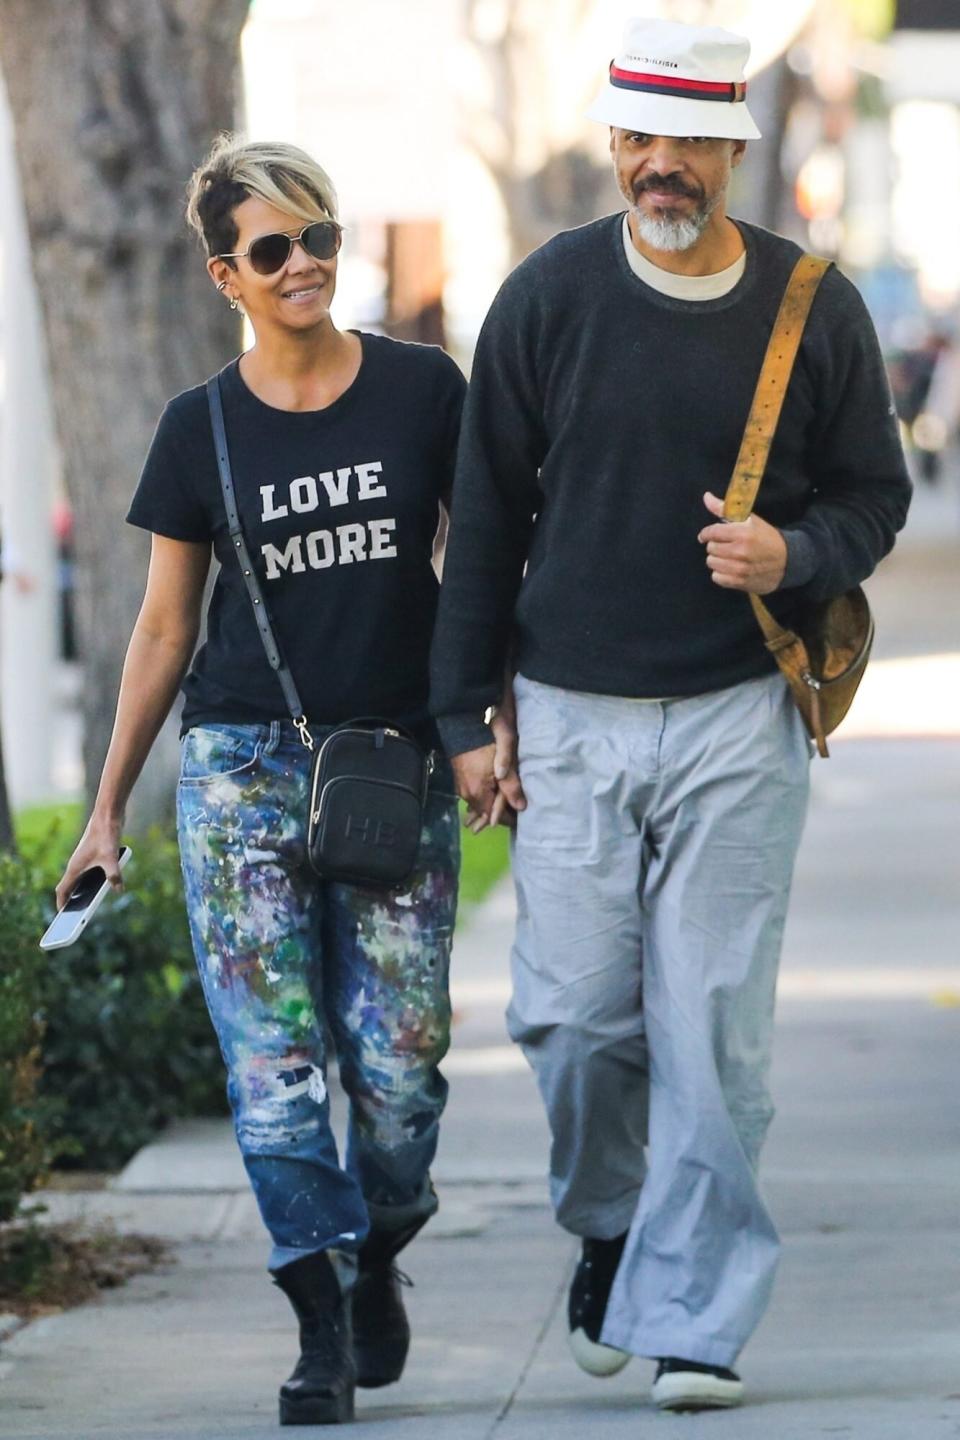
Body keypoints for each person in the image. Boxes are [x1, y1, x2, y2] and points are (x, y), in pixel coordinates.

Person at [430, 16, 911, 1415]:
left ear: (732, 151)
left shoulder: (812, 304)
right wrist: (466, 712)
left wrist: (793, 556)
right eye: (641, 139)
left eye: (691, 141)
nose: (664, 165)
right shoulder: (548, 296)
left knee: (711, 1029)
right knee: (573, 1022)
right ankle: (610, 1225)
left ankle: (697, 1317)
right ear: (615, 147)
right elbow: (487, 516)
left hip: (736, 716)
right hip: (570, 713)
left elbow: (871, 497)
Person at [55, 135, 465, 1427]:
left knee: (401, 1068)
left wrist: (489, 722)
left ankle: (379, 1238)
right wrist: (109, 809)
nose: (306, 266)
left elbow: (481, 575)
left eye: (322, 236)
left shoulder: (421, 394)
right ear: (227, 274)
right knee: (274, 1067)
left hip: (393, 764)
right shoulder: (200, 430)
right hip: (240, 776)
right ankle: (319, 1317)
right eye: (274, 249)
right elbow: (166, 629)